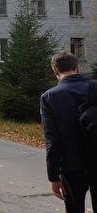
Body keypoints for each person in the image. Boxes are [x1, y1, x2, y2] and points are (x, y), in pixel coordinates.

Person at [40, 51, 96, 212]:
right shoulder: (94, 89)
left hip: (72, 166)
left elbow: (52, 141)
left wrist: (53, 177)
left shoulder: (50, 97)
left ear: (55, 71)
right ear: (77, 68)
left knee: (74, 208)